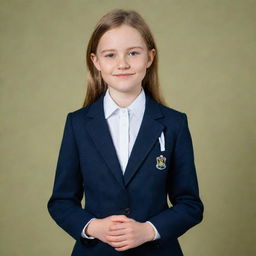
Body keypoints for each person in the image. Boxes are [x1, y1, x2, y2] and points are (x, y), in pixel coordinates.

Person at [47, 9, 204, 256]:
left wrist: (149, 230)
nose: (122, 63)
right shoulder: (77, 124)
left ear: (150, 58)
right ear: (95, 61)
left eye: (133, 52)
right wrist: (93, 227)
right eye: (110, 55)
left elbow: (190, 205)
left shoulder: (174, 123)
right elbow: (61, 202)